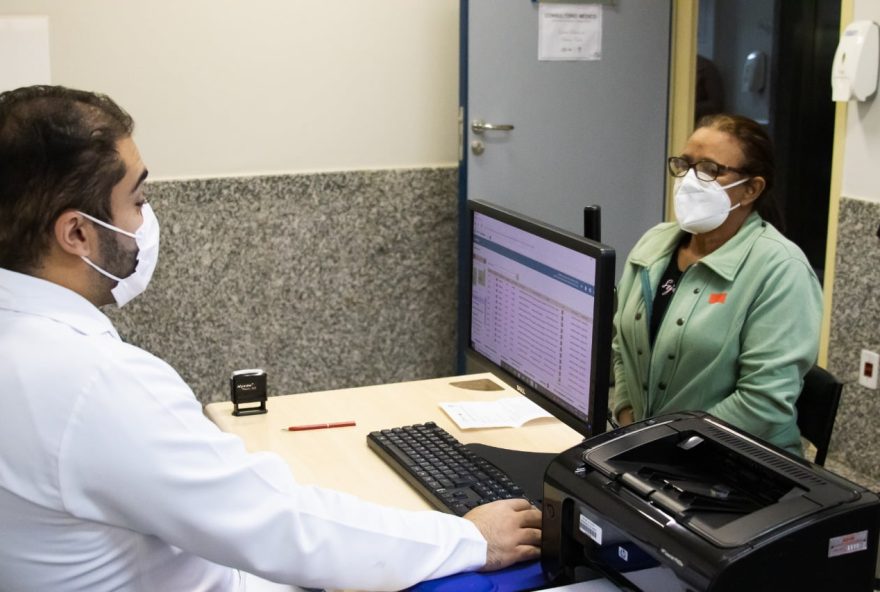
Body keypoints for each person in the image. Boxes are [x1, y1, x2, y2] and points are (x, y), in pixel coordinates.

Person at [0, 85, 541, 591]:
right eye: (137, 202)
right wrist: (471, 539)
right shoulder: (95, 384)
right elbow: (283, 528)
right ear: (77, 233)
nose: (148, 221)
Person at [611, 113, 822, 456]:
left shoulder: (781, 269)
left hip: (736, 466)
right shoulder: (653, 244)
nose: (690, 180)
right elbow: (621, 345)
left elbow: (762, 403)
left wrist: (665, 446)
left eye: (710, 169)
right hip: (646, 452)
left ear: (752, 188)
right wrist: (625, 415)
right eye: (685, 164)